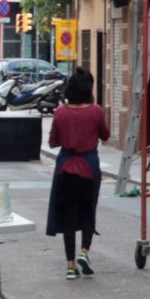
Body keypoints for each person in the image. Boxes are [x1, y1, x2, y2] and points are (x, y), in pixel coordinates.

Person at [47, 69, 111, 278]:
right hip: (89, 166)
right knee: (88, 210)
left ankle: (70, 266)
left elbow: (53, 141)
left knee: (68, 216)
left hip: (66, 166)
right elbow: (106, 135)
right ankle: (84, 251)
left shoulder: (60, 112)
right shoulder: (95, 111)